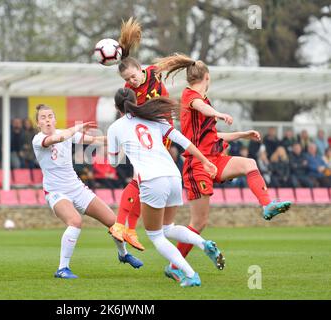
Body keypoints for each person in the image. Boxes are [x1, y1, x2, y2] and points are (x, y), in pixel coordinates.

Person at [154, 53, 292, 280]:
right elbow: (200, 106)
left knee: (250, 163)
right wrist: (218, 113)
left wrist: (243, 134)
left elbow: (213, 135)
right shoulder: (191, 96)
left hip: (214, 159)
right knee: (199, 222)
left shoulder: (203, 102)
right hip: (197, 163)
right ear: (207, 77)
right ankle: (175, 265)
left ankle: (267, 205)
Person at [108, 88, 224, 287]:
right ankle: (202, 243)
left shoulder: (115, 128)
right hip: (172, 176)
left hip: (153, 181)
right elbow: (183, 141)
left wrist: (120, 148)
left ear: (116, 107)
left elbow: (112, 162)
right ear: (136, 101)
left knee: (156, 236)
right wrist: (204, 160)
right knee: (168, 228)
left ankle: (190, 274)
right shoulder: (154, 119)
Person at [32, 104, 142, 279]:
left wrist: (122, 138)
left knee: (114, 222)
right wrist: (75, 128)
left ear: (54, 119)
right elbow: (58, 139)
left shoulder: (66, 133)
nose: (47, 120)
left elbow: (96, 140)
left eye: (50, 116)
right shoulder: (38, 140)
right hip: (56, 192)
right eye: (43, 117)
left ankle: (123, 254)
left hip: (76, 188)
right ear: (38, 123)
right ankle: (62, 269)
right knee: (75, 221)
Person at [109, 17, 171, 252]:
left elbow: (171, 65)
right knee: (139, 180)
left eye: (132, 77)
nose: (130, 81)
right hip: (146, 138)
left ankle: (130, 229)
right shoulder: (128, 91)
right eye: (126, 80)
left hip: (162, 133)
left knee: (143, 183)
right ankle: (122, 226)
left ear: (140, 68)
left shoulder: (154, 73)